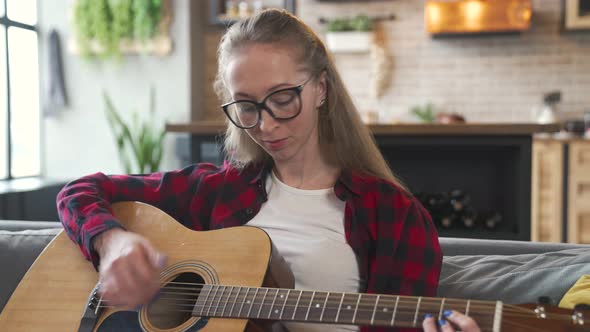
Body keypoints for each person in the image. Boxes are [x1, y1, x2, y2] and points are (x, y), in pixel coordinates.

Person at [57, 8, 479, 332]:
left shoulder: (394, 215)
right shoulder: (215, 189)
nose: (266, 123)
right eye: (246, 105)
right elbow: (80, 191)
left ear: (321, 89)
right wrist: (110, 244)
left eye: (282, 98)